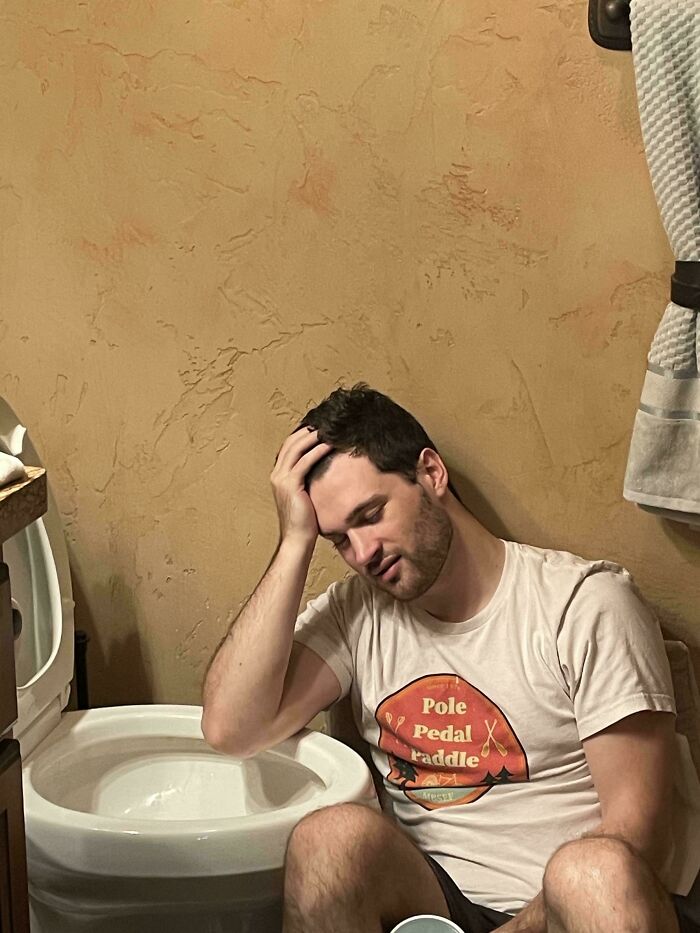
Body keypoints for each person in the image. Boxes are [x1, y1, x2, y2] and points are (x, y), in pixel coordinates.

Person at [202, 383, 700, 933]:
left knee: (593, 872)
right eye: (339, 539)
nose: (363, 553)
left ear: (431, 473)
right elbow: (232, 730)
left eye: (371, 514)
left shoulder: (583, 606)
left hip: (571, 911)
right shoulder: (356, 614)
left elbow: (639, 838)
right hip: (437, 908)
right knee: (327, 840)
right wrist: (295, 541)